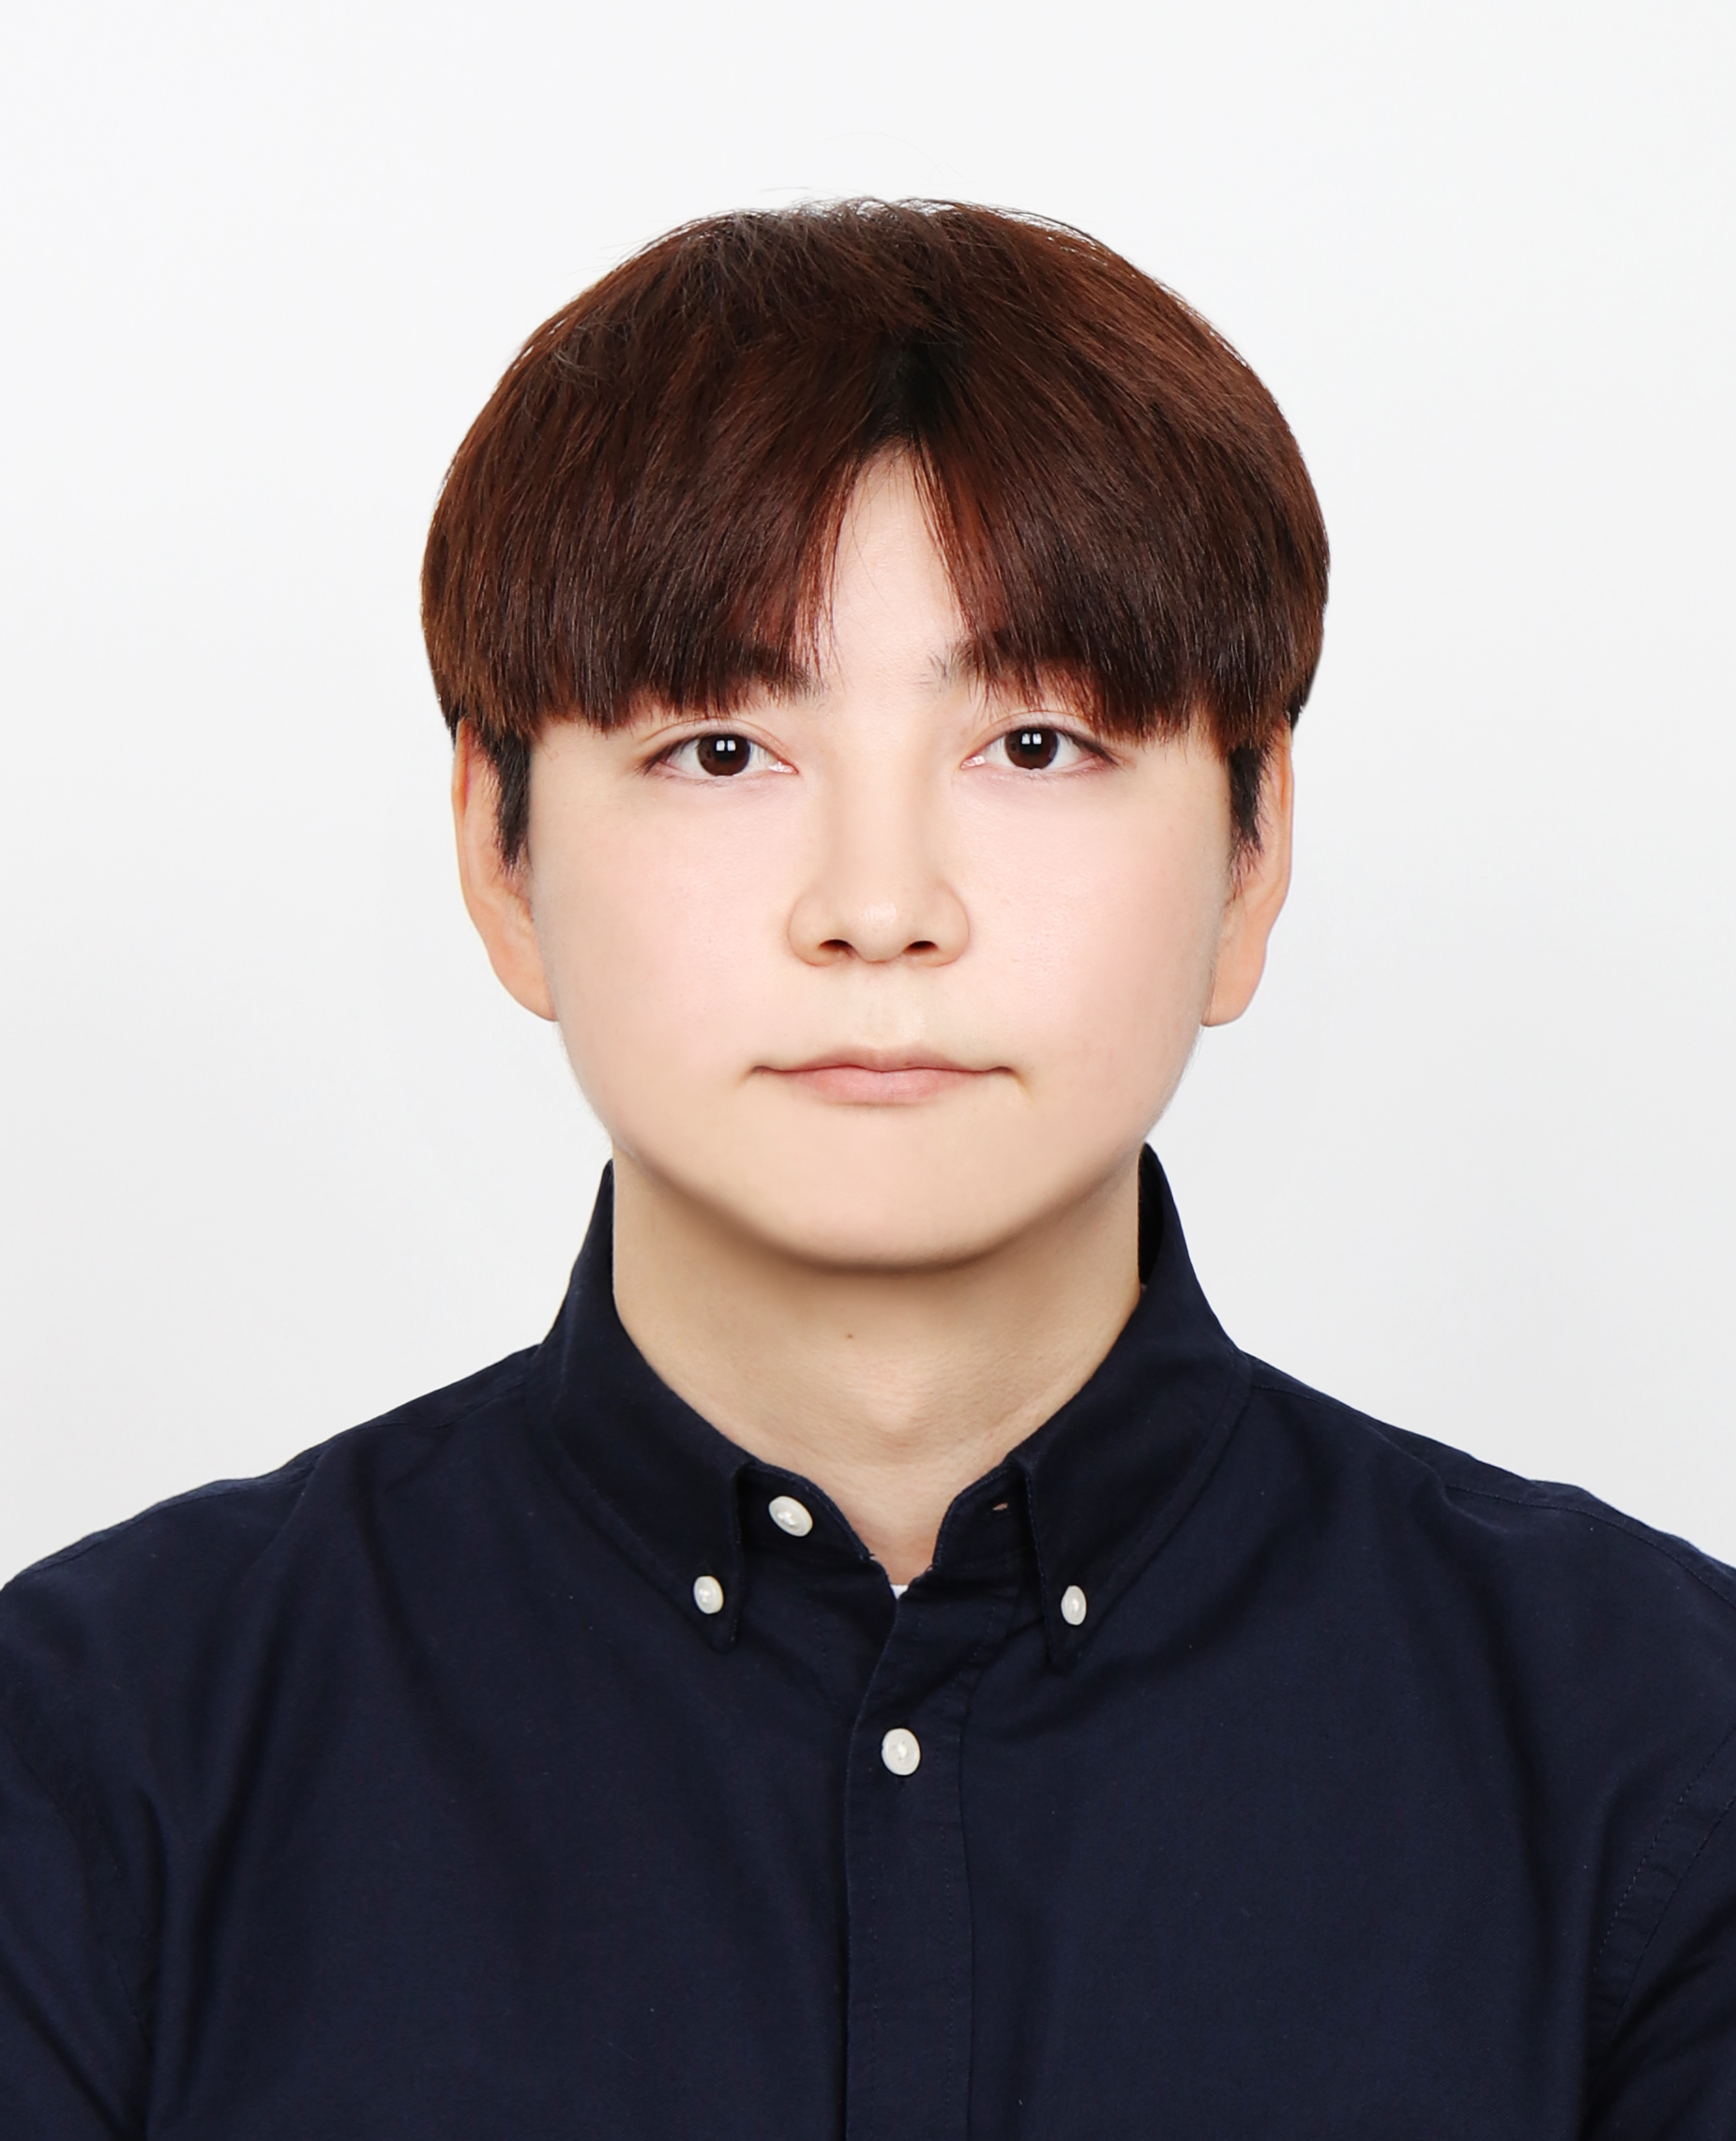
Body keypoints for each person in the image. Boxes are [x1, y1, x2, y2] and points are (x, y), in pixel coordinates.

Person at [2, 201, 1732, 2138]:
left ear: (1249, 859)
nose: (881, 906)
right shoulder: (97, 1759)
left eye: (1037, 742)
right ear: (500, 853)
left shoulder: (1657, 1757)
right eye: (722, 750)